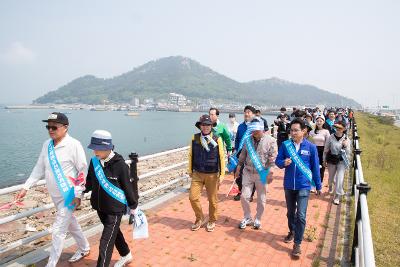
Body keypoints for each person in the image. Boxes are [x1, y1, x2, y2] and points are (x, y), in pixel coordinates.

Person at [15, 112, 90, 266]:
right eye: (48, 127)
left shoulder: (74, 145)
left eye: (54, 127)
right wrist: (26, 187)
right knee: (70, 223)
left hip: (69, 195)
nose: (50, 130)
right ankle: (84, 247)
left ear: (65, 128)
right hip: (55, 195)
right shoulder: (47, 145)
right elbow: (39, 168)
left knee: (58, 230)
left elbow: (82, 171)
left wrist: (78, 194)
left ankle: (51, 264)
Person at [84, 130, 139, 267]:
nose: (95, 151)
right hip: (99, 207)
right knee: (114, 234)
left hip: (114, 210)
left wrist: (133, 207)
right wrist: (80, 191)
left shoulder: (120, 165)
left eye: (99, 148)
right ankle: (126, 254)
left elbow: (128, 187)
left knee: (105, 243)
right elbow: (90, 181)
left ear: (108, 148)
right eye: (94, 148)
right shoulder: (94, 162)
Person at [275, 118, 322, 257]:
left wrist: (318, 186)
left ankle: (298, 243)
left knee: (300, 215)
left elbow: (315, 168)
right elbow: (277, 161)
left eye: (296, 130)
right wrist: (283, 162)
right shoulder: (285, 145)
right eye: (291, 130)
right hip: (289, 185)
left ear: (304, 131)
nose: (293, 133)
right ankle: (292, 231)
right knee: (290, 213)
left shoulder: (311, 147)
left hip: (304, 185)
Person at [235, 118, 277, 230]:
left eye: (256, 130)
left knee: (261, 198)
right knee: (244, 196)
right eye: (252, 130)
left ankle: (258, 218)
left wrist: (271, 172)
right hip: (248, 171)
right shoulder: (247, 140)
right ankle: (247, 217)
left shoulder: (271, 141)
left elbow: (272, 158)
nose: (254, 132)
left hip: (262, 173)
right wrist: (238, 168)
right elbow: (242, 155)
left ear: (262, 129)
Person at [188, 114, 225, 232]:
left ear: (211, 126)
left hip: (212, 174)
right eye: (203, 125)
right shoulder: (195, 138)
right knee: (193, 197)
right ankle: (200, 218)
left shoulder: (217, 138)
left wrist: (222, 174)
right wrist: (190, 170)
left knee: (212, 200)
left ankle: (212, 220)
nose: (206, 127)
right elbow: (190, 154)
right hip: (197, 173)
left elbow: (221, 156)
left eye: (208, 125)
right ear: (200, 126)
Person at [232, 105, 257, 201]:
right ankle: (240, 191)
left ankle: (250, 194)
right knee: (237, 173)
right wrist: (237, 150)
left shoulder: (256, 126)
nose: (246, 114)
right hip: (241, 155)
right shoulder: (241, 126)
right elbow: (238, 139)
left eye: (249, 112)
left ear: (253, 114)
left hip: (252, 155)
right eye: (245, 112)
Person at [323, 120, 351, 205]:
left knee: (340, 179)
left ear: (344, 129)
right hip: (332, 159)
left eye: (340, 128)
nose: (338, 129)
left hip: (341, 161)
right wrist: (324, 160)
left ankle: (337, 197)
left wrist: (346, 146)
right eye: (336, 128)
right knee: (331, 178)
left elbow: (348, 152)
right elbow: (326, 150)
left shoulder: (346, 139)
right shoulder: (330, 137)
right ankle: (330, 185)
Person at [310, 115, 330, 184]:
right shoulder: (312, 132)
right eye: (317, 121)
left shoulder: (326, 131)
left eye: (320, 121)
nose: (319, 122)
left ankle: (319, 184)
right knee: (313, 167)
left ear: (323, 122)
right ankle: (312, 184)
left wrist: (327, 153)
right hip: (314, 151)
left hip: (323, 151)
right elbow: (310, 143)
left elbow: (328, 143)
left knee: (321, 168)